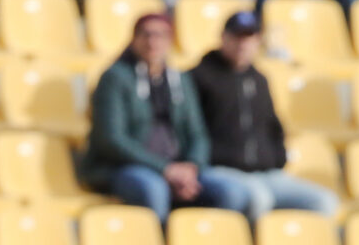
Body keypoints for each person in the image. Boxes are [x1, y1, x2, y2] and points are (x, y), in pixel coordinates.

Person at [79, 14, 245, 224]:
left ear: (170, 40)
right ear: (134, 39)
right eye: (146, 34)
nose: (152, 41)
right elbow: (112, 139)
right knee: (154, 190)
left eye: (160, 35)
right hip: (124, 167)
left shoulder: (180, 79)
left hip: (177, 167)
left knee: (230, 192)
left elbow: (197, 133)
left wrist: (192, 167)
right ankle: (155, 243)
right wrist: (165, 169)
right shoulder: (115, 78)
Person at [189, 13, 338, 225]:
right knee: (258, 198)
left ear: (258, 41)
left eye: (249, 37)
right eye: (237, 36)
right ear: (223, 37)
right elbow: (189, 127)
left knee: (323, 201)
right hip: (219, 168)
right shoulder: (199, 76)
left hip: (266, 173)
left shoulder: (259, 79)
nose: (243, 43)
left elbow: (273, 125)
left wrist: (278, 158)